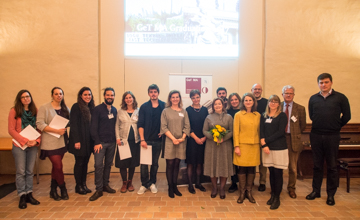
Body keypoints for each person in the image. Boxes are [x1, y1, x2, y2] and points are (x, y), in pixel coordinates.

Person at [306, 73, 351, 206]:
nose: (323, 85)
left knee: (332, 166)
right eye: (321, 82)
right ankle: (316, 191)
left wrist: (336, 126)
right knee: (317, 165)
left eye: (326, 82)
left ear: (331, 83)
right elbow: (312, 115)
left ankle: (331, 194)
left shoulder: (340, 98)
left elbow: (347, 116)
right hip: (316, 135)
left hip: (332, 136)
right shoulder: (313, 98)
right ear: (318, 84)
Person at [8, 90, 41, 209]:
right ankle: (22, 195)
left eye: (28, 96)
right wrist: (25, 141)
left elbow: (39, 128)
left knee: (29, 171)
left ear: (30, 98)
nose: (26, 99)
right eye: (23, 97)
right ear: (19, 99)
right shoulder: (14, 111)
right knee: (21, 171)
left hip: (32, 145)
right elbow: (11, 130)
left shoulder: (34, 111)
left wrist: (36, 141)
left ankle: (29, 194)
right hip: (19, 145)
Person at [36, 87, 70, 201]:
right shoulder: (44, 108)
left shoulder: (65, 108)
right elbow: (40, 124)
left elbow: (70, 121)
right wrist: (56, 131)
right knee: (59, 166)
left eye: (61, 93)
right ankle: (63, 188)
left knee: (56, 167)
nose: (59, 96)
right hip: (50, 142)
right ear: (52, 95)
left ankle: (52, 190)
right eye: (56, 94)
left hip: (62, 141)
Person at [260, 95, 288, 210]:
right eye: (271, 101)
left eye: (275, 101)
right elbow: (261, 130)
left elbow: (281, 132)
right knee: (271, 172)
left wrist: (266, 140)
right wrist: (264, 144)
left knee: (278, 173)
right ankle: (272, 194)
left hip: (279, 147)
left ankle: (277, 197)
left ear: (278, 104)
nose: (273, 103)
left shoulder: (282, 116)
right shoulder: (264, 115)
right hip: (267, 149)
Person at [161, 90, 190, 198]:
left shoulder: (184, 111)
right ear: (170, 99)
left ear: (179, 98)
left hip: (181, 142)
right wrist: (173, 139)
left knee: (177, 164)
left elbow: (187, 126)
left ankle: (175, 186)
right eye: (173, 97)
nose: (175, 99)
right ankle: (170, 187)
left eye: (177, 97)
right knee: (170, 164)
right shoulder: (165, 111)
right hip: (170, 141)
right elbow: (163, 127)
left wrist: (182, 138)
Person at [89, 87, 117, 201]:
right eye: (108, 95)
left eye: (112, 95)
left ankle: (105, 185)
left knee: (108, 165)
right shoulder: (97, 109)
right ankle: (99, 189)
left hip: (112, 143)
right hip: (100, 143)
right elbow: (93, 127)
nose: (110, 97)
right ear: (104, 96)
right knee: (98, 166)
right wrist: (96, 142)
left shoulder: (114, 110)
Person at [137, 84, 165, 195]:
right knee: (144, 163)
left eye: (155, 91)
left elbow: (166, 122)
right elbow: (140, 124)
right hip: (146, 140)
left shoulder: (163, 105)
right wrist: (142, 139)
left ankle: (152, 183)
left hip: (158, 141)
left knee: (154, 163)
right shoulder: (144, 107)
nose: (153, 94)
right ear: (149, 93)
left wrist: (162, 132)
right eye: (151, 92)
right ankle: (144, 184)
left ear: (158, 93)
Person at [203, 98, 234, 199]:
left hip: (225, 145)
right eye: (215, 104)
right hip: (212, 145)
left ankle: (222, 188)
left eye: (219, 104)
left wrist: (222, 138)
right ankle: (214, 187)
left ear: (223, 105)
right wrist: (215, 137)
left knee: (223, 165)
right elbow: (205, 131)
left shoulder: (229, 117)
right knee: (213, 165)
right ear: (213, 106)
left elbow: (231, 131)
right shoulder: (208, 117)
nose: (217, 106)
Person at [233, 93, 260, 204]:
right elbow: (236, 131)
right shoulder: (238, 115)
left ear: (253, 102)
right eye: (246, 100)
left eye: (250, 100)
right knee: (242, 169)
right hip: (242, 145)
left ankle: (249, 192)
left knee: (252, 169)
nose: (248, 102)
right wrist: (237, 146)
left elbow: (260, 130)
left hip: (254, 145)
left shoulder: (258, 115)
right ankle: (242, 192)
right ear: (243, 102)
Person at [68, 87, 95, 195]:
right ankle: (78, 185)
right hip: (79, 141)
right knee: (79, 163)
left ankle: (84, 184)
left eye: (89, 95)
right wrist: (76, 141)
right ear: (80, 96)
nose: (88, 97)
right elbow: (73, 125)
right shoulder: (76, 107)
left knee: (85, 163)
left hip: (88, 141)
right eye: (85, 95)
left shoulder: (91, 107)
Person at [281, 85, 306, 199]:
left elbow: (302, 125)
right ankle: (278, 187)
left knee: (292, 167)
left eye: (291, 93)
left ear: (294, 95)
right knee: (279, 166)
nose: (288, 95)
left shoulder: (300, 108)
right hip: (280, 139)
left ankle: (291, 188)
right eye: (286, 93)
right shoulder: (277, 106)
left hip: (293, 139)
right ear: (282, 95)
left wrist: (294, 133)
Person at [115, 91, 140, 193]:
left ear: (133, 99)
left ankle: (130, 182)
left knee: (132, 163)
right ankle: (124, 182)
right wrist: (117, 138)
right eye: (126, 98)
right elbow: (116, 126)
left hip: (135, 141)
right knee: (123, 163)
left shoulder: (138, 111)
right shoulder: (120, 111)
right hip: (123, 141)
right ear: (124, 100)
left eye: (130, 97)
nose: (128, 99)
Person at [185, 89, 208, 194]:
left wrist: (204, 137)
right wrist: (196, 138)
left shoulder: (205, 110)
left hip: (203, 140)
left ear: (200, 97)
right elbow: (187, 126)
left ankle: (198, 183)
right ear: (191, 98)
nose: (196, 99)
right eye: (193, 98)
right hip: (191, 140)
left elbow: (208, 125)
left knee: (200, 163)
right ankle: (190, 185)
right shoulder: (187, 110)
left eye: (197, 97)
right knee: (191, 163)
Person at [251, 83, 268, 192]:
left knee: (262, 162)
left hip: (263, 135)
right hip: (251, 135)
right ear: (251, 90)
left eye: (259, 89)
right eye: (255, 89)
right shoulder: (248, 101)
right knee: (252, 160)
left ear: (261, 91)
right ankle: (250, 181)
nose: (257, 91)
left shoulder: (266, 102)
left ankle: (262, 182)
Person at [226, 93, 241, 193]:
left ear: (239, 100)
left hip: (242, 140)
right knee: (233, 163)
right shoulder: (227, 112)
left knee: (242, 163)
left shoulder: (243, 111)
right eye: (232, 100)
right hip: (230, 140)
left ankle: (245, 183)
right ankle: (234, 183)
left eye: (236, 99)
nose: (234, 101)